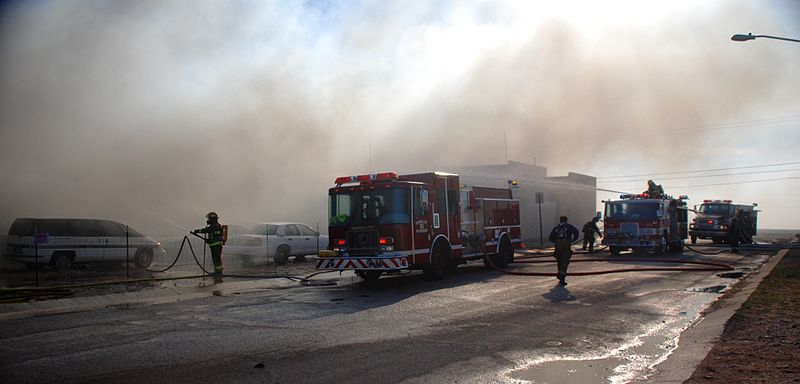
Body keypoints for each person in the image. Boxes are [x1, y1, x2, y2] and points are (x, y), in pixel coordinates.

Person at [548, 216, 580, 286]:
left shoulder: (556, 228)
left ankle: (561, 278)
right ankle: (561, 276)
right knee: (565, 261)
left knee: (559, 261)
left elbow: (550, 238)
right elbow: (576, 232)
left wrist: (556, 241)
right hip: (566, 244)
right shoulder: (569, 227)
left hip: (557, 246)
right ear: (566, 220)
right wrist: (573, 239)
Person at [192, 211, 225, 276]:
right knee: (215, 259)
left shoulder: (215, 226)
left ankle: (219, 272)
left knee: (216, 259)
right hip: (214, 245)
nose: (208, 220)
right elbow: (213, 235)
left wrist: (197, 231)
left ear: (212, 219)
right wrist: (209, 240)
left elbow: (206, 230)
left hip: (216, 246)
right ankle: (217, 271)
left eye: (209, 219)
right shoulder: (215, 225)